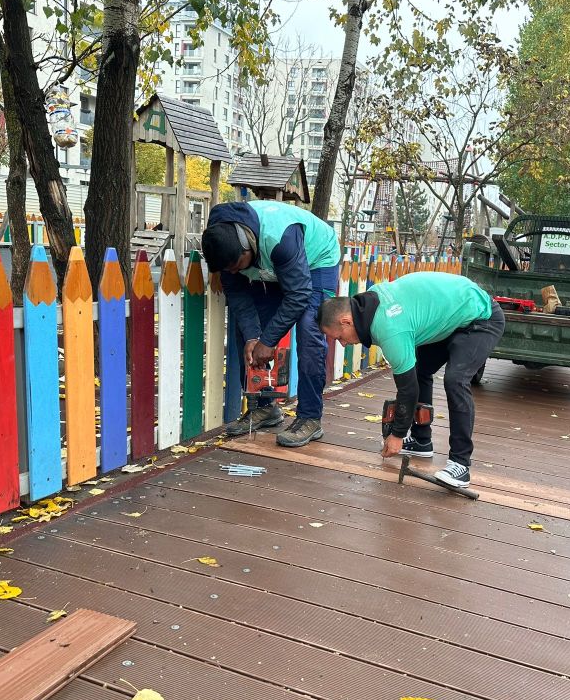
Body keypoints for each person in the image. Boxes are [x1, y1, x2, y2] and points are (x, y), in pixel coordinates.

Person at [317, 271, 505, 488]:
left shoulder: (389, 329)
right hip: (453, 316)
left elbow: (408, 391)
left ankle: (460, 464)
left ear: (347, 321)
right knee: (420, 370)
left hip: (481, 317)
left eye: (339, 337)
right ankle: (421, 440)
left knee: (455, 380)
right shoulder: (368, 304)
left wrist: (397, 434)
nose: (341, 344)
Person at [202, 200, 340, 447]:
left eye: (235, 267)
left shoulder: (280, 237)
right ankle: (265, 408)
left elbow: (298, 295)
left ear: (247, 248)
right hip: (275, 264)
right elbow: (238, 296)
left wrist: (267, 341)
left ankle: (310, 417)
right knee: (247, 333)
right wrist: (255, 337)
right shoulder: (221, 243)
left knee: (310, 330)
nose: (232, 273)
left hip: (317, 259)